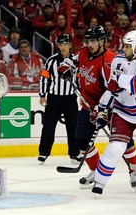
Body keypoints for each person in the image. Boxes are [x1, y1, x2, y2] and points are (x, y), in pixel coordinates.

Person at [59, 25, 136, 189]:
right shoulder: (83, 52)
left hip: (112, 108)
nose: (90, 44)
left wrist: (102, 110)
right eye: (88, 40)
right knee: (82, 141)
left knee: (124, 141)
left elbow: (114, 89)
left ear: (102, 41)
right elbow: (73, 60)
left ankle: (134, 171)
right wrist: (66, 66)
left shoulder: (109, 60)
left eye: (94, 41)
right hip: (88, 106)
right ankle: (96, 171)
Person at [92, 30, 136, 195]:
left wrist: (118, 80)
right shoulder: (118, 60)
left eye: (128, 46)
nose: (123, 48)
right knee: (115, 147)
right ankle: (99, 184)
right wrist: (102, 109)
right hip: (123, 110)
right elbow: (112, 89)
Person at [38, 34, 81, 165]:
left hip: (70, 98)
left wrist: (81, 96)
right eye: (61, 44)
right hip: (54, 99)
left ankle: (74, 154)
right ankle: (44, 153)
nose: (63, 47)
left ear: (70, 45)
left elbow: (79, 79)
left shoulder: (76, 61)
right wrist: (42, 95)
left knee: (73, 127)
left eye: (65, 44)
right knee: (48, 126)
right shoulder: (51, 61)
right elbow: (44, 78)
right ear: (58, 45)